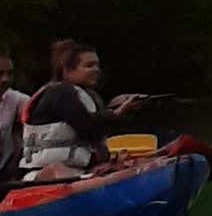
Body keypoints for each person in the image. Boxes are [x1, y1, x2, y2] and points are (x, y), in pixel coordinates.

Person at [19, 42, 143, 181]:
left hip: (78, 168)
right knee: (59, 171)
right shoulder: (60, 93)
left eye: (97, 65)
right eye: (89, 65)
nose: (96, 70)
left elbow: (97, 123)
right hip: (43, 172)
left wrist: (116, 109)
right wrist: (118, 112)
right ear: (68, 70)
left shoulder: (81, 93)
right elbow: (89, 128)